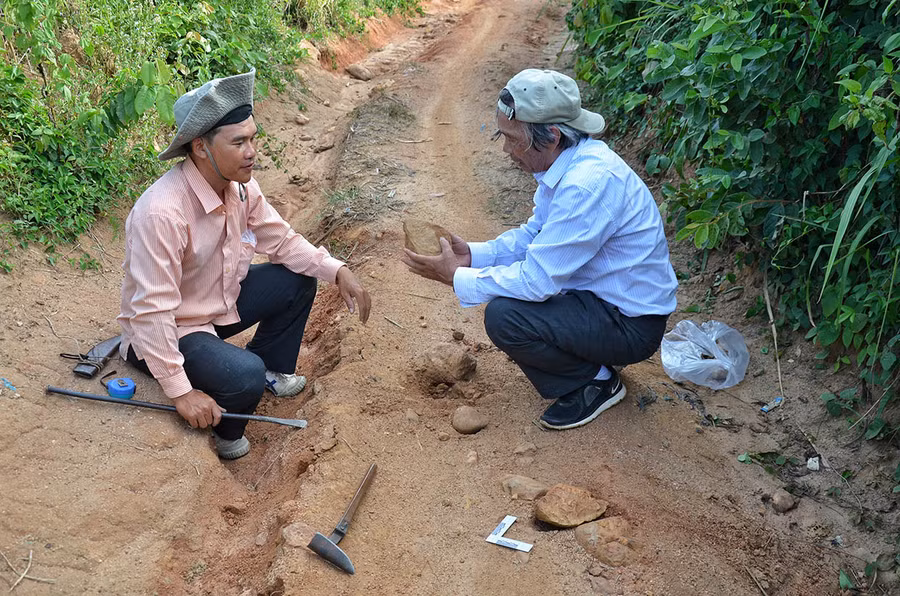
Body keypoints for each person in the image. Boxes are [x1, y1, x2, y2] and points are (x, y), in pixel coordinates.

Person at [402, 69, 677, 430]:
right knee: (511, 309)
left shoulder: (586, 185)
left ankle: (595, 383)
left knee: (506, 318)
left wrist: (457, 276)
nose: (506, 150)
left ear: (551, 136)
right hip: (601, 304)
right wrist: (474, 254)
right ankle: (591, 360)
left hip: (630, 325)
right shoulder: (569, 164)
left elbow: (537, 281)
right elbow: (536, 235)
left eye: (513, 139)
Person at [118, 69, 371, 459]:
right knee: (243, 373)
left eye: (253, 138)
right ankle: (227, 433)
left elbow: (282, 241)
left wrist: (337, 270)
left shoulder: (240, 186)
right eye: (239, 142)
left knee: (298, 280)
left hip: (216, 309)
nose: (252, 151)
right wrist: (181, 391)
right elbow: (151, 310)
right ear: (201, 147)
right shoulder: (163, 214)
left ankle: (271, 370)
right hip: (171, 330)